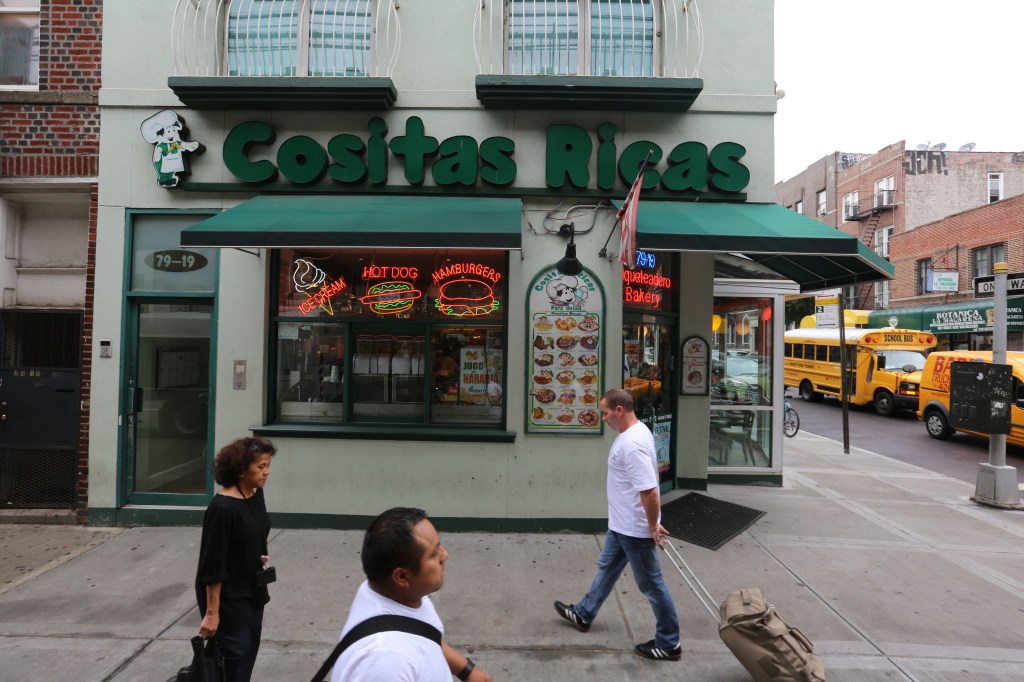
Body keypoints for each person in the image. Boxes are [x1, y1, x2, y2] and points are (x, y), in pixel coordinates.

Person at [554, 388, 682, 661]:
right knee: (607, 568)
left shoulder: (632, 444)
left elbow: (649, 492)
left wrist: (651, 526)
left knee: (652, 585)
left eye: (605, 413)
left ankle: (669, 643)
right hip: (622, 525)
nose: (603, 418)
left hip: (635, 528)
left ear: (619, 410)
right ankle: (584, 613)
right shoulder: (635, 433)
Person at [331, 507, 493, 682]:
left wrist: (466, 670)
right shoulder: (384, 663)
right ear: (402, 577)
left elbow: (424, 633)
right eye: (433, 554)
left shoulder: (400, 594)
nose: (445, 555)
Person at [194, 436, 277, 682]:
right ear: (241, 469)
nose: (266, 472)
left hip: (253, 590)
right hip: (230, 600)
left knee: (247, 657)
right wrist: (212, 613)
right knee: (233, 663)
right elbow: (212, 564)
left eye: (268, 465)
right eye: (261, 466)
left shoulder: (254, 493)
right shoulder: (223, 508)